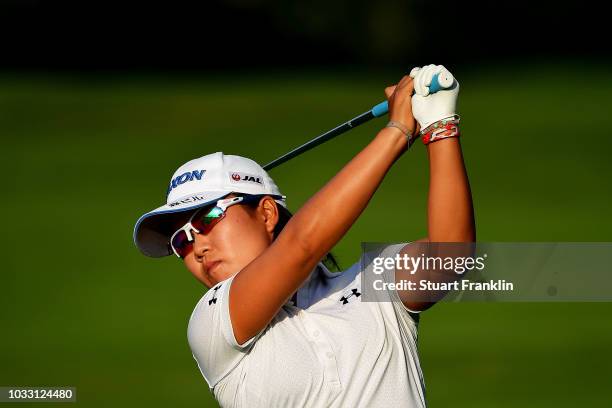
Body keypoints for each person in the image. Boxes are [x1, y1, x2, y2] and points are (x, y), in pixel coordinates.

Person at [133, 64, 475, 407]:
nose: (197, 248)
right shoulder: (211, 324)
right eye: (181, 241)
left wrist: (439, 126)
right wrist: (397, 131)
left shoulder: (374, 282)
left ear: (266, 214)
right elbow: (300, 246)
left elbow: (453, 258)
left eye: (207, 219)